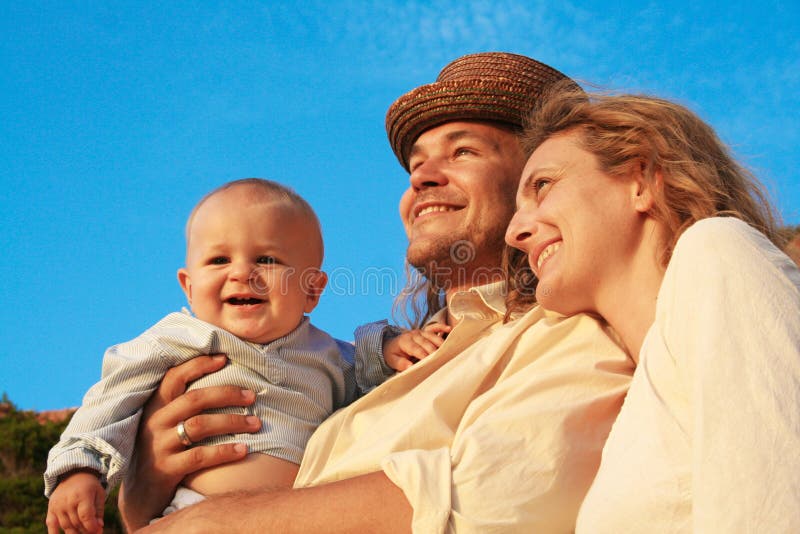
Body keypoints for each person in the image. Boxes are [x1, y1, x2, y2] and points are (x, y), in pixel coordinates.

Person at [128, 52, 634, 533]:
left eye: (462, 151)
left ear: (538, 183)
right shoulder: (376, 370)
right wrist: (145, 493)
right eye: (416, 164)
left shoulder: (575, 333)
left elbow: (498, 500)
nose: (422, 178)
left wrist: (220, 522)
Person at [45, 178, 419, 533]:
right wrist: (80, 470)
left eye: (267, 259)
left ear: (312, 289)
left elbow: (369, 374)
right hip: (191, 511)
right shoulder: (177, 339)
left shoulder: (326, 354)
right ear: (188, 287)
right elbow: (110, 403)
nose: (242, 272)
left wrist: (388, 347)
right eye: (219, 260)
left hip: (300, 518)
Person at [504, 87, 800, 532]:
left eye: (542, 186)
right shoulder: (632, 400)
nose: (514, 233)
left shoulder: (718, 250)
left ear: (641, 180)